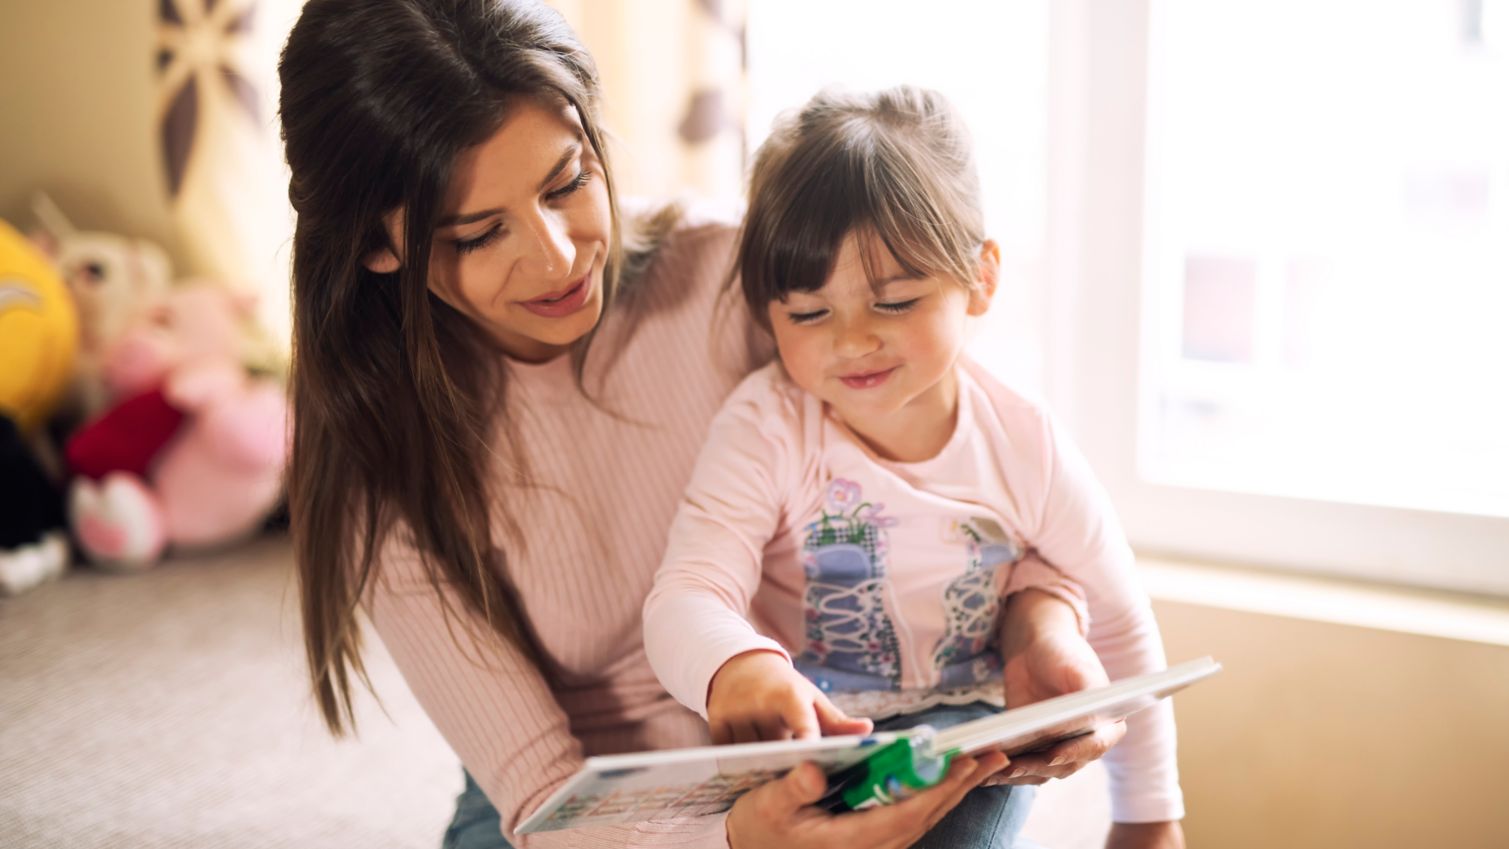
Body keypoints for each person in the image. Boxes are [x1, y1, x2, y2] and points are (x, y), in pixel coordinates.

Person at [278, 1, 1134, 847]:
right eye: (477, 232)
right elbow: (541, 795)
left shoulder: (748, 282)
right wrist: (736, 838)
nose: (555, 255)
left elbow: (980, 480)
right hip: (582, 805)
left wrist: (1039, 626)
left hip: (831, 745)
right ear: (374, 244)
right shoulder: (373, 446)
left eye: (566, 182)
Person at [643, 87, 1187, 848]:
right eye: (807, 313)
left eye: (894, 301)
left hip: (966, 731)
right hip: (809, 735)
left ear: (980, 279)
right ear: (769, 313)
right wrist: (736, 666)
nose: (851, 341)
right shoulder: (765, 425)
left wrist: (1147, 814)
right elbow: (685, 592)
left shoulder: (1023, 440)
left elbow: (1120, 614)